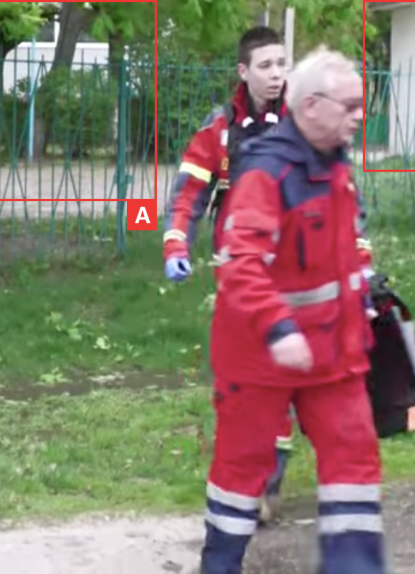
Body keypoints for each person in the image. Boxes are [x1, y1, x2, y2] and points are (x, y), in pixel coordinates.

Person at [197, 46, 385, 574]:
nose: (359, 116)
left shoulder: (335, 164)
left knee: (354, 462)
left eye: (361, 105)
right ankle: (219, 565)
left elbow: (341, 251)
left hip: (333, 355)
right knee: (242, 472)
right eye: (349, 106)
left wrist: (365, 298)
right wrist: (280, 328)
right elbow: (241, 263)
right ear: (311, 106)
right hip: (260, 357)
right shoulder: (267, 173)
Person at [160, 26, 295, 523]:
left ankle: (267, 486)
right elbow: (188, 194)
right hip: (237, 276)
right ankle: (247, 479)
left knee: (280, 382)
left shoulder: (304, 122)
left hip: (292, 274)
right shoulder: (219, 129)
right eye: (266, 65)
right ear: (244, 71)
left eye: (282, 63)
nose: (277, 74)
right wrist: (176, 242)